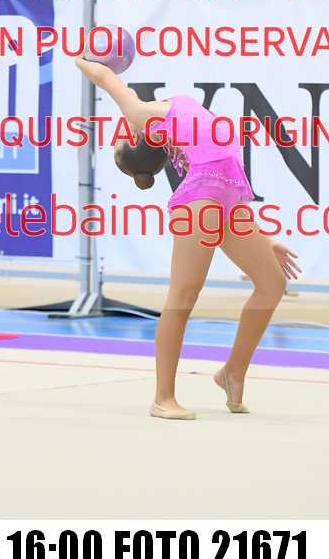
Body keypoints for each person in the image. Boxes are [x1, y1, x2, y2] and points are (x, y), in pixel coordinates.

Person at [75, 58, 301, 420]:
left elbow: (227, 182)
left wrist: (263, 239)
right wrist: (80, 53)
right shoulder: (144, 115)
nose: (121, 130)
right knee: (183, 295)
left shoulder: (169, 121)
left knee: (272, 282)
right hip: (201, 198)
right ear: (138, 138)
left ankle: (232, 371)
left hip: (226, 195)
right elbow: (103, 75)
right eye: (120, 141)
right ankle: (162, 398)